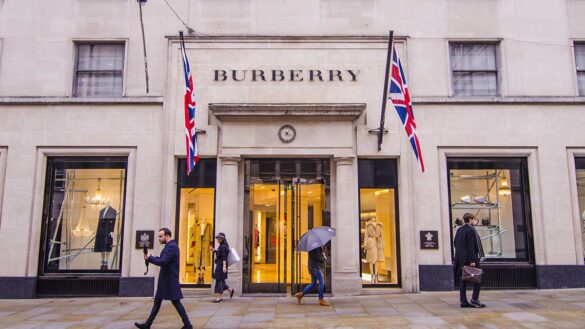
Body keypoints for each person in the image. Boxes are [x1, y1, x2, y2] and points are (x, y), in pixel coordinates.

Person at [135, 228, 193, 329]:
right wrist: (152, 257)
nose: (159, 238)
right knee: (158, 301)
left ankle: (188, 325)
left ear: (167, 236)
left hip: (169, 280)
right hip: (165, 280)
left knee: (175, 301)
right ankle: (147, 325)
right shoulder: (169, 247)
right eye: (159, 236)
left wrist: (150, 258)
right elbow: (163, 259)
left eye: (161, 236)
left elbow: (163, 261)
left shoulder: (171, 247)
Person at [453, 213, 486, 308]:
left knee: (463, 280)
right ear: (470, 219)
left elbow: (455, 243)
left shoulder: (460, 229)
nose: (475, 221)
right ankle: (475, 299)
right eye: (474, 219)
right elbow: (471, 247)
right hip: (470, 259)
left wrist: (460, 254)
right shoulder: (471, 230)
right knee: (478, 277)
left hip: (460, 259)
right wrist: (472, 260)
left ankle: (463, 301)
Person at [211, 232, 235, 303]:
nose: (217, 240)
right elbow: (220, 254)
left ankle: (220, 297)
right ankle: (230, 290)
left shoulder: (223, 247)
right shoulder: (222, 245)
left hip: (221, 266)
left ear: (222, 239)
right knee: (221, 280)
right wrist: (215, 250)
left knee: (219, 281)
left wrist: (224, 267)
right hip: (220, 265)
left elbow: (224, 257)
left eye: (218, 238)